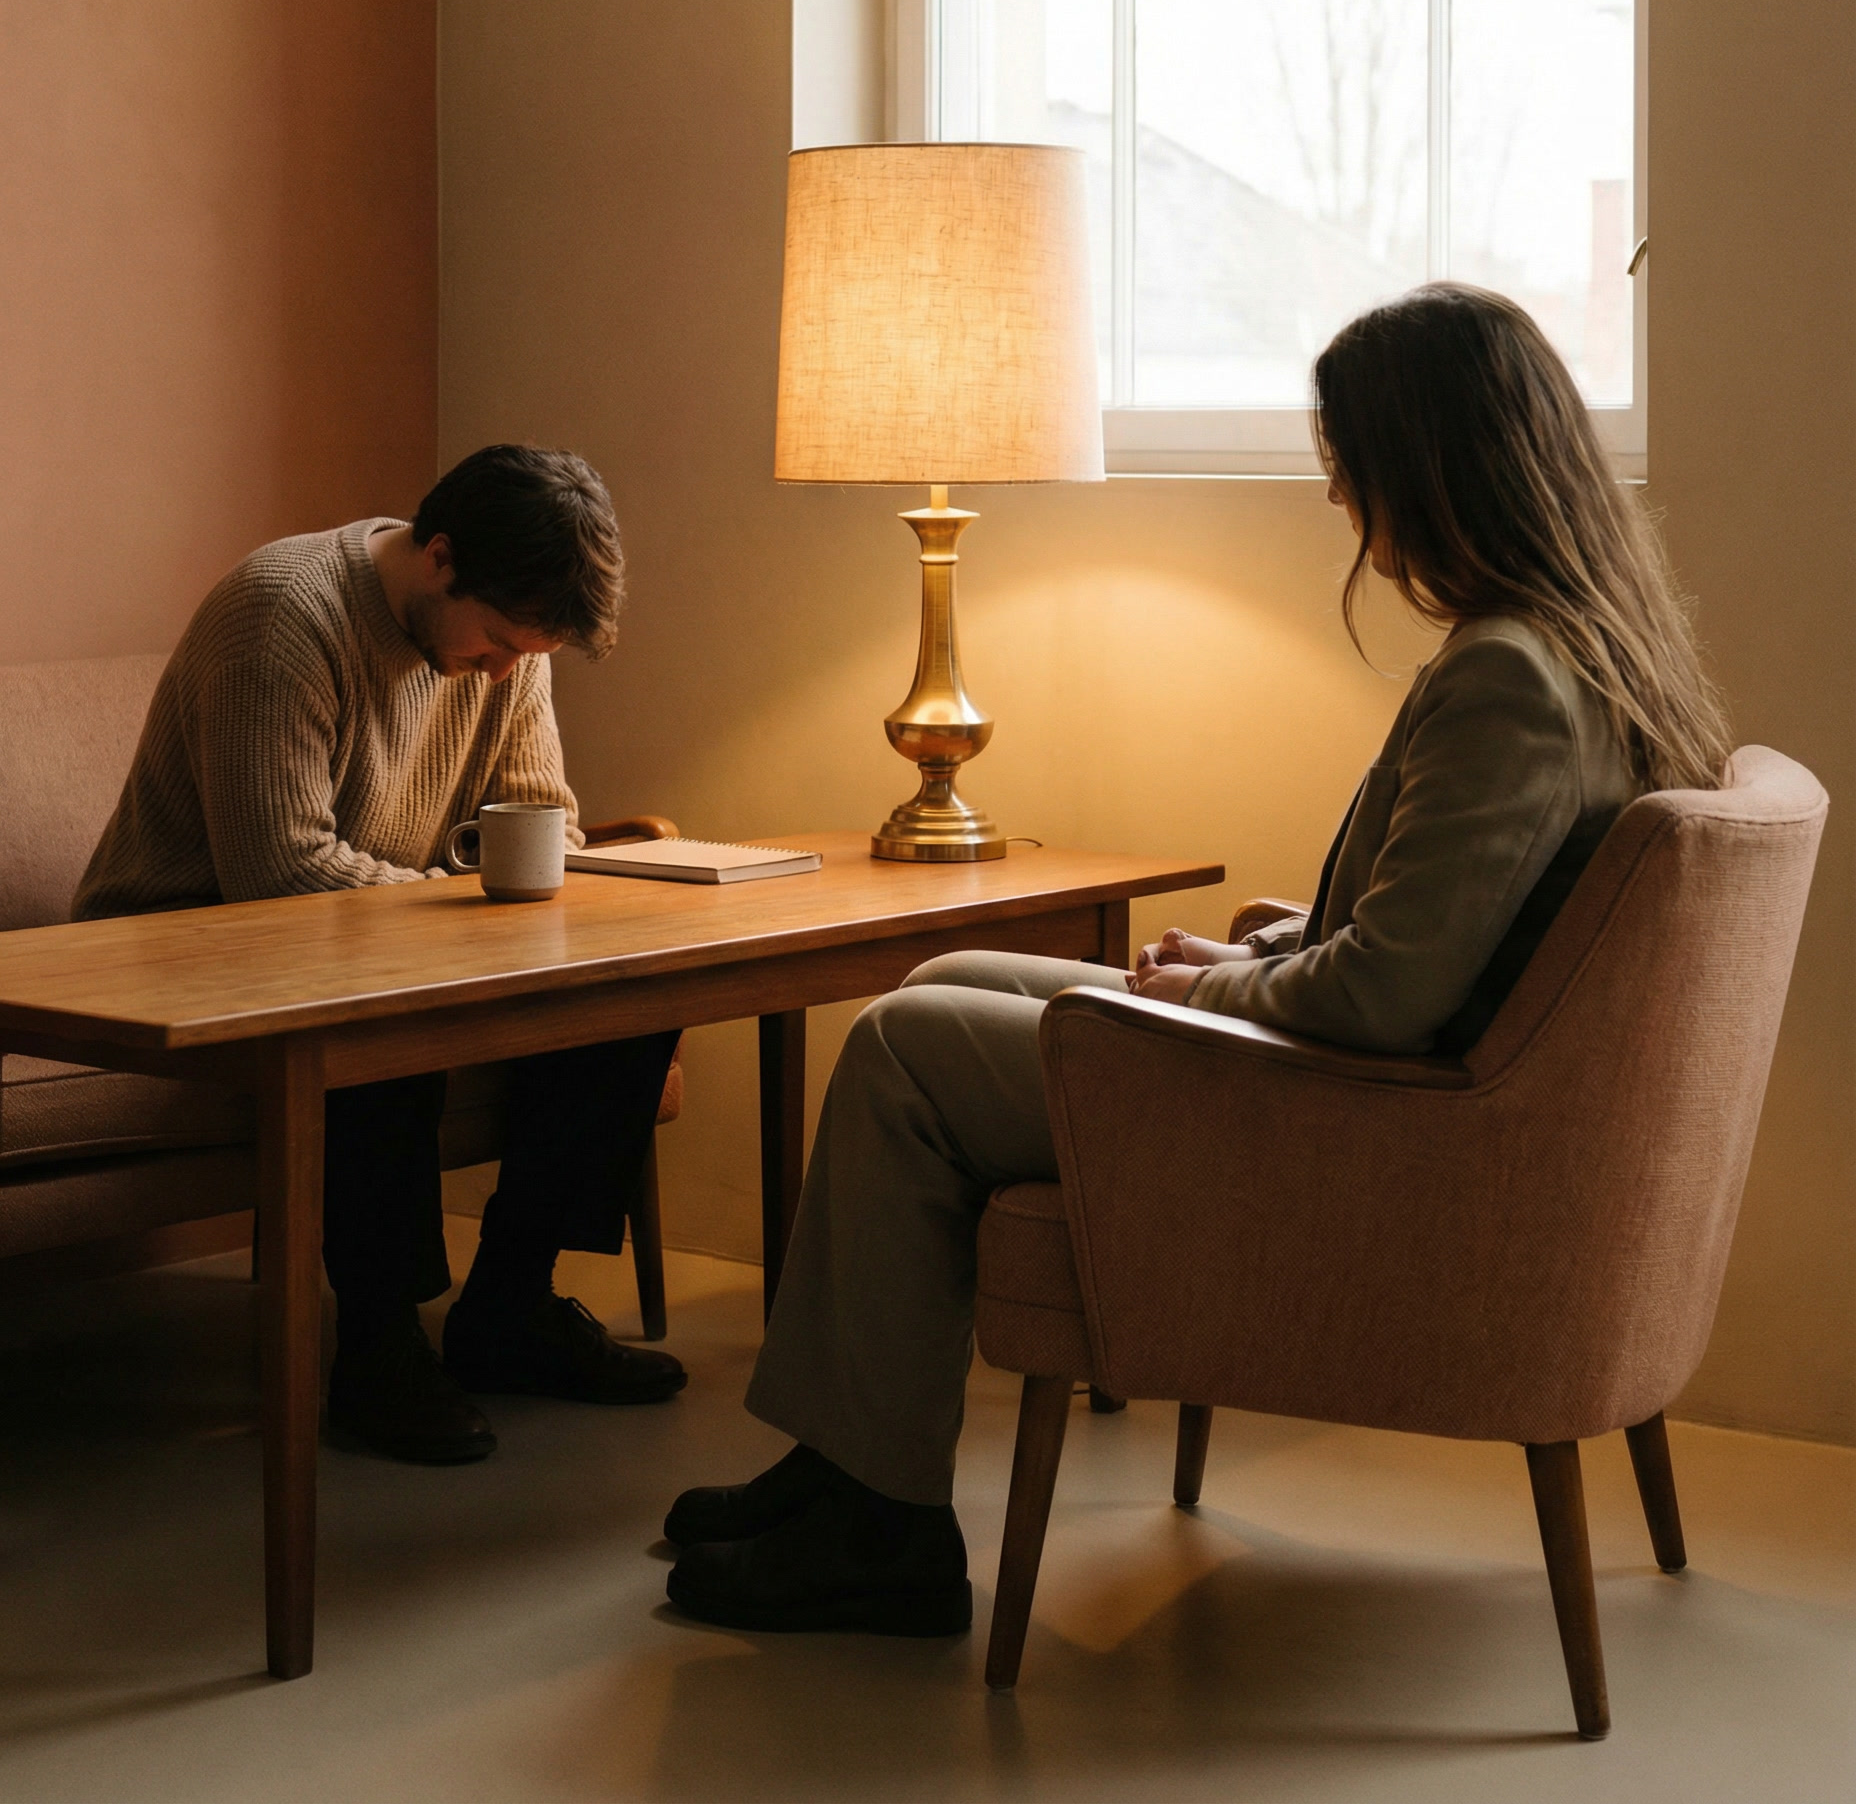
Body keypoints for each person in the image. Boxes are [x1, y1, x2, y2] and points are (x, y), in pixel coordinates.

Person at [659, 283, 1734, 1639]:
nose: (1341, 502)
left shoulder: (1508, 675)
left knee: (903, 1049)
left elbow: (1391, 997)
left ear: (1434, 466)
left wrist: (1209, 992)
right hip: (1403, 1091)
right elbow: (1461, 937)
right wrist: (1274, 945)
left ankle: (881, 1529)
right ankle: (846, 1470)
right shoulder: (1589, 655)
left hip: (1364, 1122)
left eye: (1351, 470)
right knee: (945, 985)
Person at [77, 444, 687, 1464]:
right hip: (173, 948)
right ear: (438, 557)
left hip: (375, 929)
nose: (501, 672)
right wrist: (457, 915)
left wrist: (551, 912)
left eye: (523, 655)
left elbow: (541, 817)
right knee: (374, 1007)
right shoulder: (284, 614)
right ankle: (378, 1344)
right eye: (495, 642)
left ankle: (510, 1304)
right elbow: (278, 873)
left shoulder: (507, 652)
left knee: (631, 976)